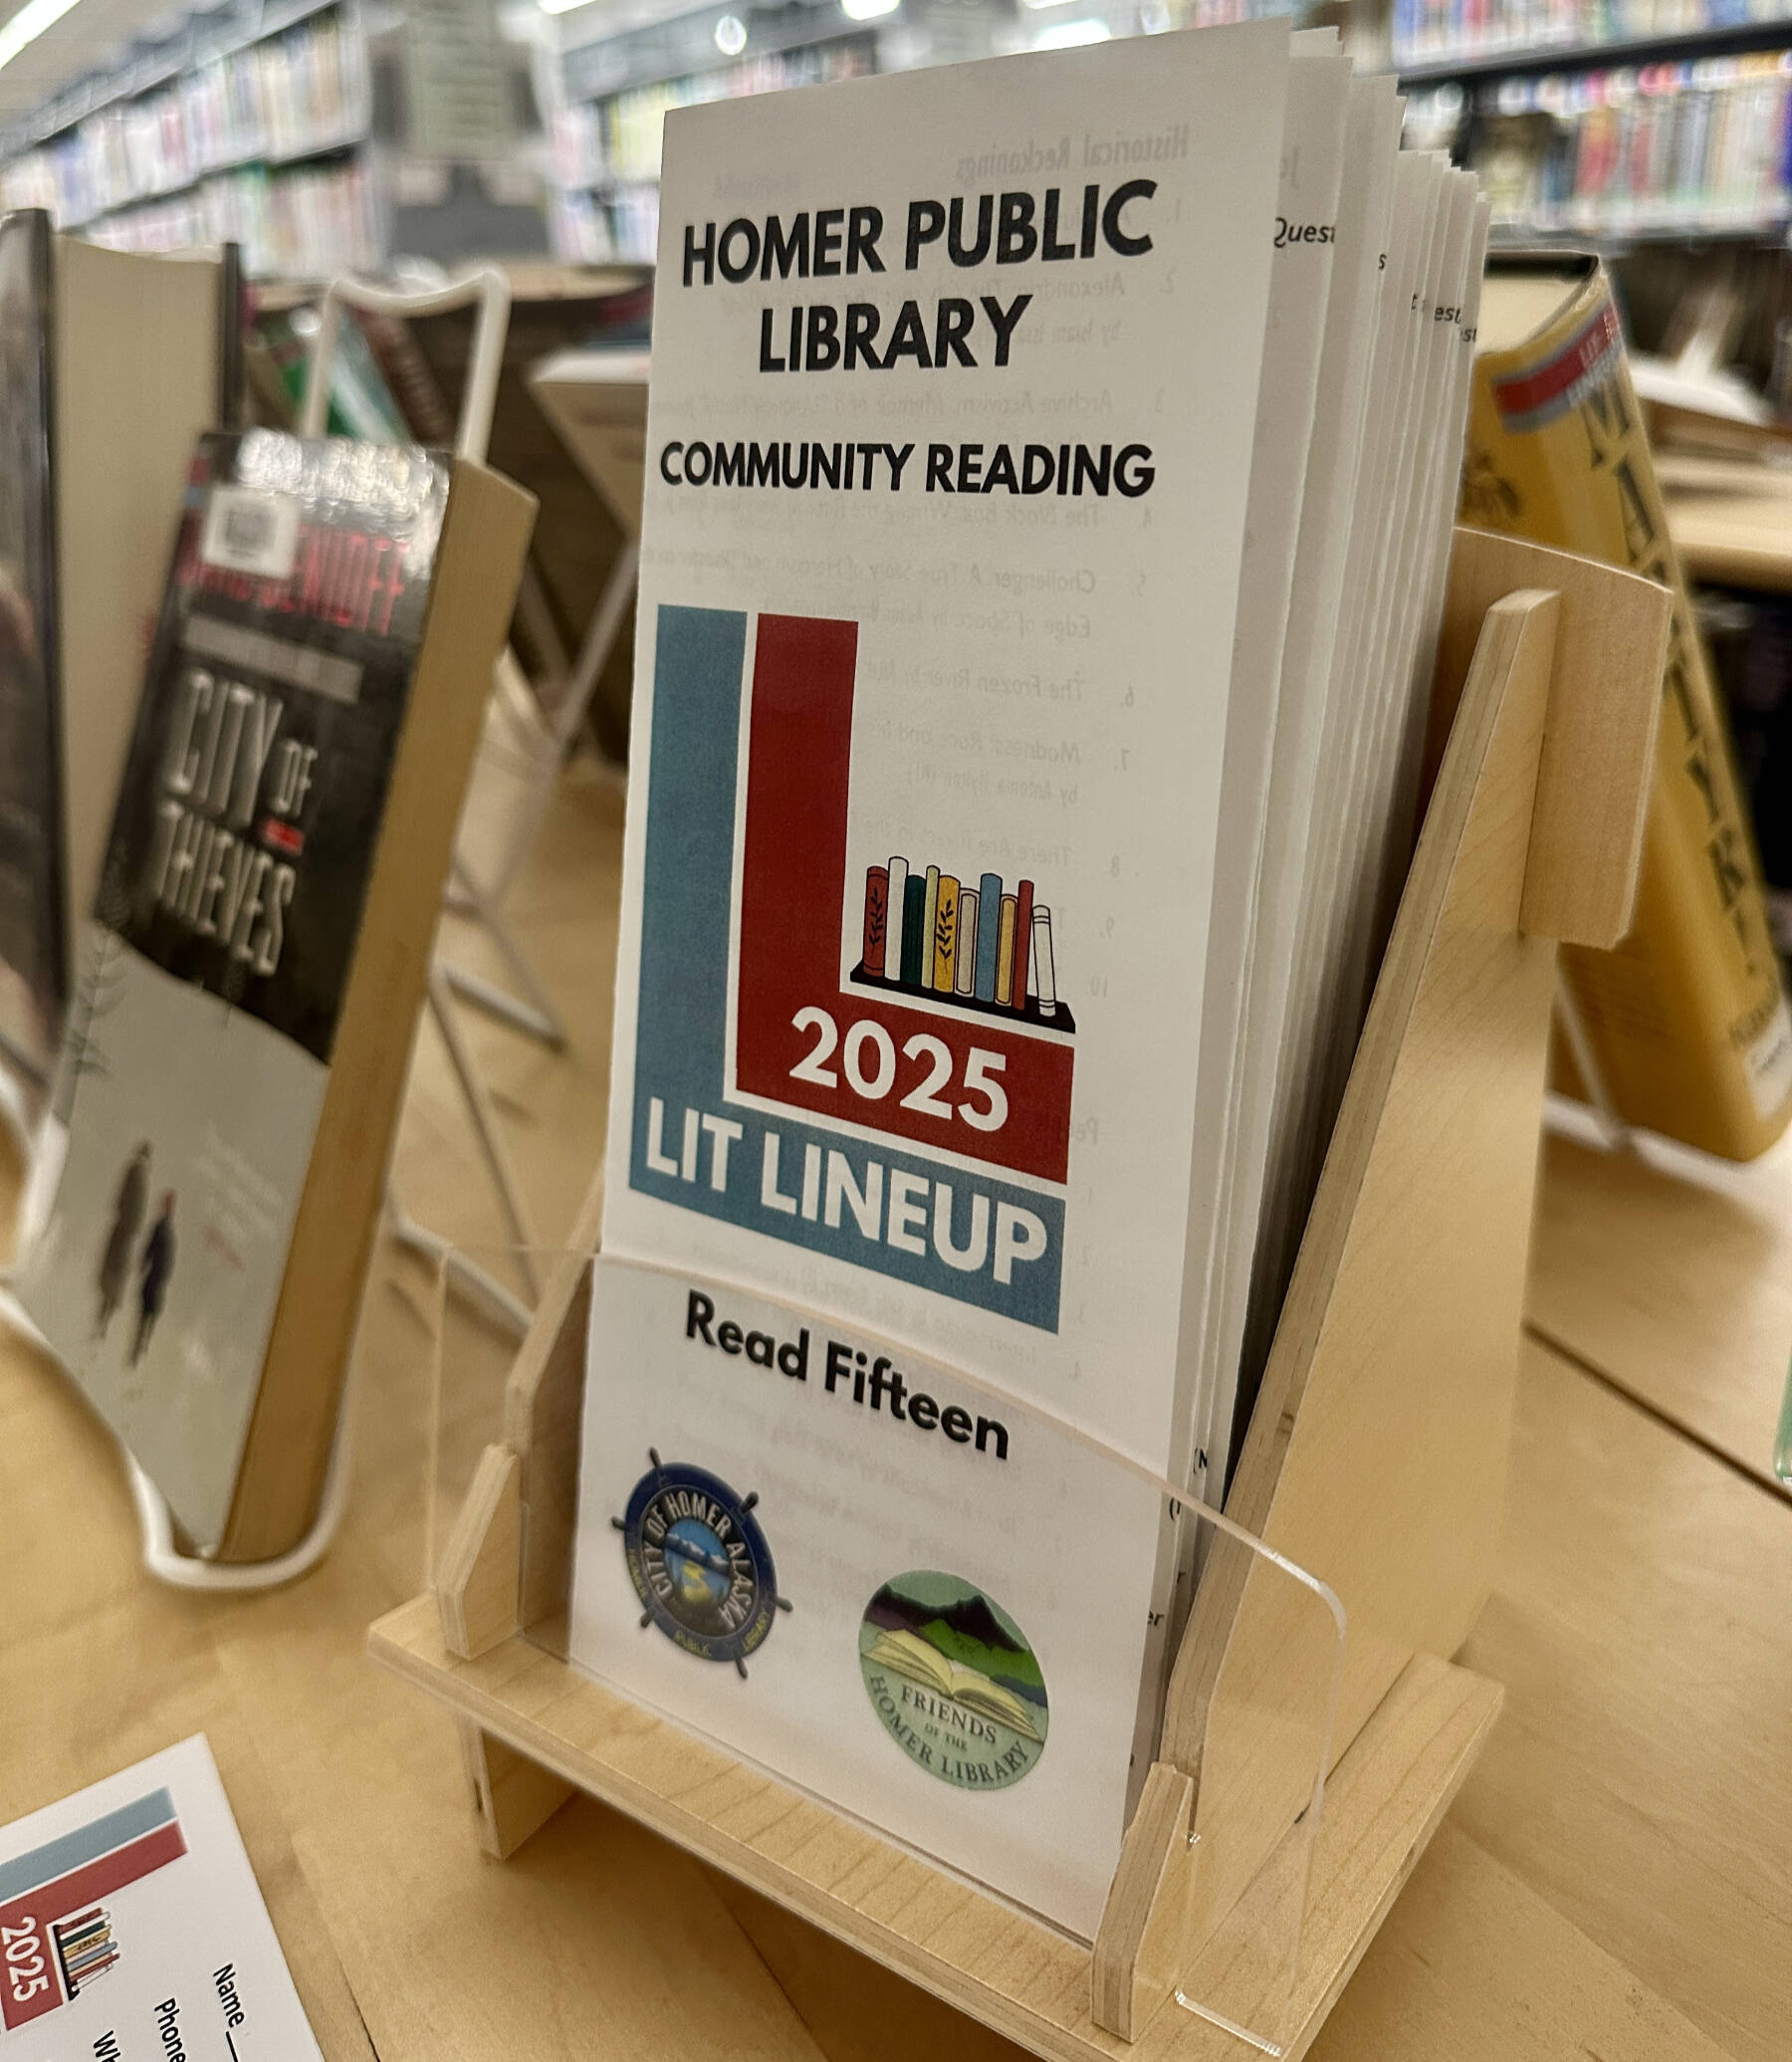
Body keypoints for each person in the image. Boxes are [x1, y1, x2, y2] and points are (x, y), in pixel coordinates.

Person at [96, 1143, 149, 1339]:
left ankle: (102, 1319)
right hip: (129, 1236)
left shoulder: (134, 1170)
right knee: (117, 1278)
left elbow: (121, 1198)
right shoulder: (144, 1178)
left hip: (122, 1232)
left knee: (111, 1275)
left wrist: (119, 1215)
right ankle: (104, 1320)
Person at [129, 1192, 176, 1369]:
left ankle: (137, 1353)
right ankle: (142, 1350)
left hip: (153, 1281)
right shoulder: (171, 1233)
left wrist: (142, 1266)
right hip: (159, 1283)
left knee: (144, 1317)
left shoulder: (161, 1227)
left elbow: (149, 1250)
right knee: (149, 1318)